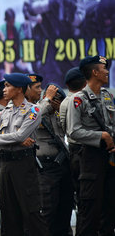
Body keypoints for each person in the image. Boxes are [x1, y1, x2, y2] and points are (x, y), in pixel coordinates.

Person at [0, 73, 49, 236]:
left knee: (31, 211)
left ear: (19, 89)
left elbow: (14, 136)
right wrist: (14, 139)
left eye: (8, 86)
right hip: (4, 165)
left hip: (23, 165)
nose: (4, 89)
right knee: (8, 213)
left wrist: (5, 138)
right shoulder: (2, 113)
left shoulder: (33, 110)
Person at [66, 56, 115, 235]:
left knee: (109, 209)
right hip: (90, 158)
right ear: (94, 72)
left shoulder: (107, 96)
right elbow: (73, 131)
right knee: (90, 210)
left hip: (109, 157)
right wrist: (100, 136)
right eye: (104, 68)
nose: (107, 71)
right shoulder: (78, 99)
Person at [35, 83, 74, 236]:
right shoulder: (36, 109)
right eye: (54, 99)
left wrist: (59, 109)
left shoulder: (58, 113)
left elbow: (69, 131)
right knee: (47, 208)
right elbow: (34, 117)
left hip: (63, 164)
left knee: (64, 206)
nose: (55, 103)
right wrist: (47, 100)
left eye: (58, 100)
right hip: (46, 166)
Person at [59, 67, 87, 201]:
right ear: (85, 82)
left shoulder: (64, 102)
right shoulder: (79, 101)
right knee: (88, 196)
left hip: (74, 151)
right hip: (83, 151)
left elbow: (64, 128)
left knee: (82, 196)